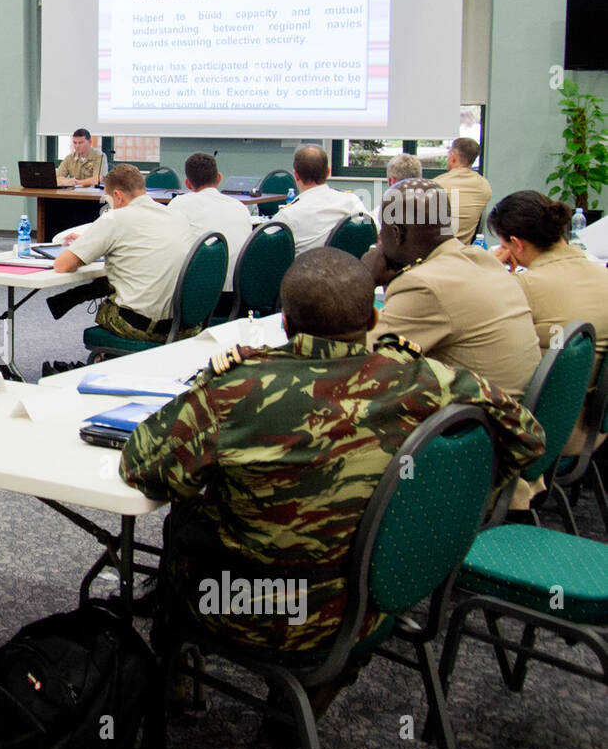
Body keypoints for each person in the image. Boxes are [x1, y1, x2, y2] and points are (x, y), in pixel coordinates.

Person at [120, 248, 543, 710]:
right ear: (374, 316)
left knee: (183, 521)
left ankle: (172, 681)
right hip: (375, 602)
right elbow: (528, 437)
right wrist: (450, 509)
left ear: (284, 324)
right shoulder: (429, 380)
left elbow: (143, 467)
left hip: (245, 608)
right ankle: (306, 702)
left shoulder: (238, 390)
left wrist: (210, 392)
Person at [363, 178, 542, 401]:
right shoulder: (482, 259)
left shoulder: (424, 284)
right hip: (512, 411)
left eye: (383, 230)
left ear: (397, 234)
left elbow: (356, 358)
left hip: (479, 425)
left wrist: (364, 280)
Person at [491, 190, 608, 452]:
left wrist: (490, 267)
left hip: (545, 434)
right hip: (593, 429)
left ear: (516, 244)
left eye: (504, 246)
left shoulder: (523, 286)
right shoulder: (602, 275)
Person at [52, 163, 198, 343]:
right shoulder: (176, 216)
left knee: (108, 299)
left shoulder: (114, 218)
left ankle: (104, 357)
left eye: (108, 200)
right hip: (183, 325)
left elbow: (62, 265)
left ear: (117, 196)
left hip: (143, 327)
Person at [168, 151, 253, 294]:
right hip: (239, 294)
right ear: (219, 178)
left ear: (188, 183)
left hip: (199, 296)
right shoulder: (240, 207)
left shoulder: (179, 205)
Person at [271, 145, 370, 254]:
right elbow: (372, 233)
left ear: (296, 175)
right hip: (347, 268)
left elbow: (263, 248)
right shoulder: (351, 201)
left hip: (303, 269)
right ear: (328, 172)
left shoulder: (287, 215)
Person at [433, 136, 491, 243]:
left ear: (453, 157)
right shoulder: (484, 186)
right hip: (464, 251)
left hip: (436, 252)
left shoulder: (436, 184)